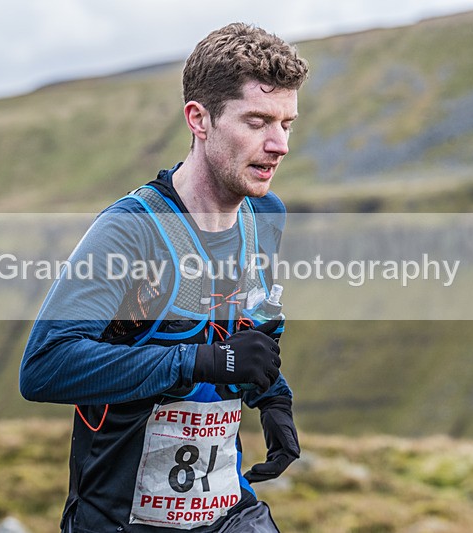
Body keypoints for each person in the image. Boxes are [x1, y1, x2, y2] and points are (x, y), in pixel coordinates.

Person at [20, 22, 308, 532]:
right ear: (199, 119)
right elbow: (44, 366)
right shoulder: (131, 232)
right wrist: (198, 361)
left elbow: (249, 330)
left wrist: (273, 398)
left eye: (287, 123)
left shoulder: (265, 217)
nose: (279, 143)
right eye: (258, 121)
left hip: (226, 511)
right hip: (119, 519)